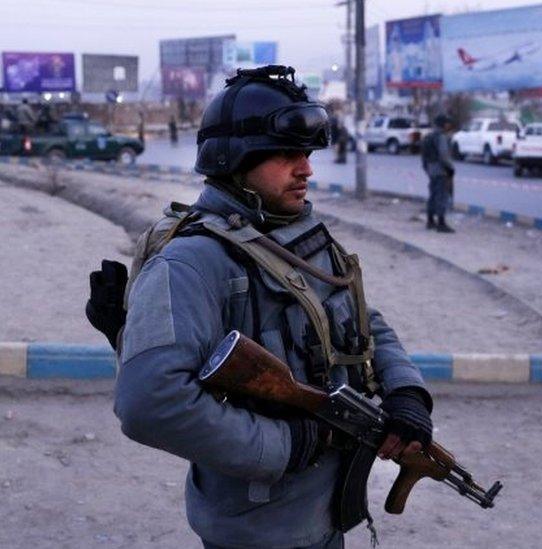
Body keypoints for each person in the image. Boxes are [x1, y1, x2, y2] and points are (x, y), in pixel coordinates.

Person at [104, 66, 433, 549]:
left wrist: (407, 392)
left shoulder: (298, 236)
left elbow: (361, 316)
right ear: (234, 160)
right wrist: (285, 446)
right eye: (286, 154)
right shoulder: (195, 261)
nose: (306, 169)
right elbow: (149, 402)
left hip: (322, 517)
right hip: (257, 530)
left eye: (306, 153)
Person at [421, 114, 456, 233]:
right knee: (442, 196)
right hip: (441, 170)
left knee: (433, 195)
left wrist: (427, 169)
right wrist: (450, 168)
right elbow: (444, 156)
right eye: (447, 123)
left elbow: (424, 157)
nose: (449, 125)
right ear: (443, 124)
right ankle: (441, 223)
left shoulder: (428, 136)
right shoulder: (441, 137)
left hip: (431, 169)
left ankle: (430, 220)